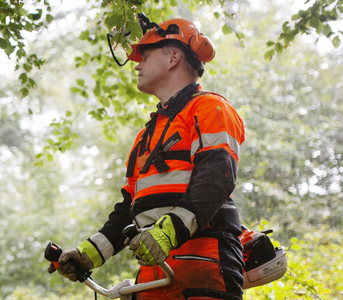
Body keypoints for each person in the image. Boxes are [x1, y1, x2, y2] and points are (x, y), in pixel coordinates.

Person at [49, 18, 246, 300]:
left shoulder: (209, 108)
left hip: (205, 260)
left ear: (174, 57)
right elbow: (129, 206)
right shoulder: (146, 136)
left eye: (146, 55)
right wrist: (89, 255)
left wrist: (168, 232)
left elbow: (216, 179)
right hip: (152, 272)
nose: (137, 64)